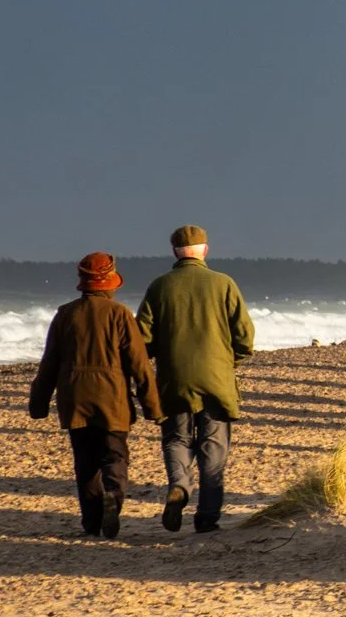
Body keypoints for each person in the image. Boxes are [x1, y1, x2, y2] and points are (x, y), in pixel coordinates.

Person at [28, 252, 161, 538]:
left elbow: (49, 363)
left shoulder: (65, 315)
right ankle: (113, 495)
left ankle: (91, 523)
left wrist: (38, 404)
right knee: (115, 456)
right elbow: (139, 364)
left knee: (85, 463)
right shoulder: (120, 314)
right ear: (110, 284)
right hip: (112, 398)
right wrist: (153, 407)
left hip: (74, 398)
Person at [137, 223, 255, 533]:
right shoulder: (224, 284)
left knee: (177, 439)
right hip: (217, 381)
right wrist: (228, 363)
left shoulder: (160, 286)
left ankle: (180, 485)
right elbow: (245, 337)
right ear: (205, 250)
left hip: (174, 380)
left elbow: (142, 339)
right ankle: (207, 517)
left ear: (175, 252)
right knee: (213, 448)